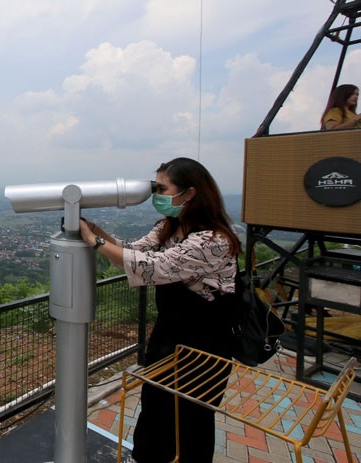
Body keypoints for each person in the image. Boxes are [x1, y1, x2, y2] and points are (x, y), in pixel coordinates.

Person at [79, 157, 241, 463]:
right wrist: (97, 231)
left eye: (162, 189)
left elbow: (153, 267)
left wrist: (92, 239)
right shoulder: (168, 227)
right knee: (155, 408)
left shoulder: (213, 241)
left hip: (205, 346)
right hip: (168, 337)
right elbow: (132, 252)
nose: (157, 195)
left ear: (190, 193)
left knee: (193, 418)